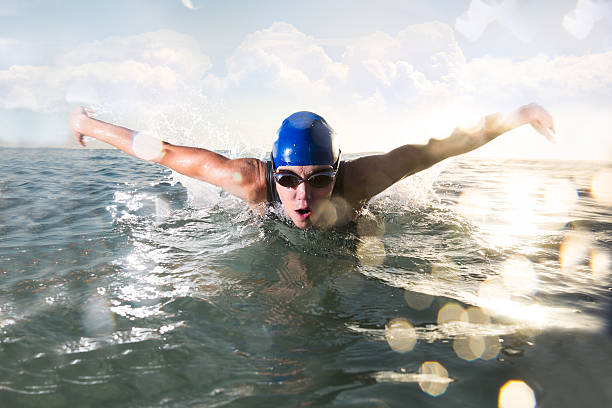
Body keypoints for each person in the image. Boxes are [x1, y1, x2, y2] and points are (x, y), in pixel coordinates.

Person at [70, 104, 555, 229]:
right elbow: (164, 152)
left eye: (320, 181)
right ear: (273, 172)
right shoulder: (248, 180)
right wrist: (87, 123)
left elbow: (438, 148)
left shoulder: (360, 181)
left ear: (336, 171)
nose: (303, 198)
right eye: (289, 181)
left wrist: (517, 117)